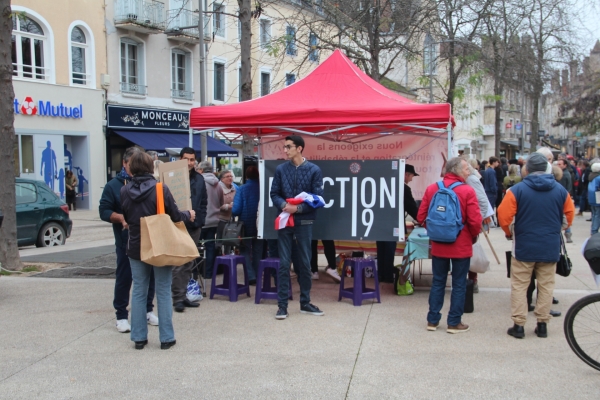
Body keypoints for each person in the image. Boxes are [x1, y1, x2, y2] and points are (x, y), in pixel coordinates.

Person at [121, 151, 195, 350]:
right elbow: (175, 216)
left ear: (132, 167)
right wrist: (189, 215)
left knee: (138, 290)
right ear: (150, 166)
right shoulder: (160, 189)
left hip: (136, 245)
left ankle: (138, 337)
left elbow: (127, 217)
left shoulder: (124, 191)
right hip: (159, 244)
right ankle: (166, 337)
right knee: (163, 289)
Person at [499, 152, 574, 339]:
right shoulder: (560, 191)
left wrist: (510, 233)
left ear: (527, 169)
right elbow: (569, 216)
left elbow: (504, 216)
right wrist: (558, 229)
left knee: (520, 286)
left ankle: (518, 325)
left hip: (524, 244)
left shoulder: (516, 191)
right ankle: (542, 324)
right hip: (549, 245)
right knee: (546, 286)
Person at [417, 157, 482, 333]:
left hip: (439, 245)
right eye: (467, 169)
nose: (469, 172)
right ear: (457, 170)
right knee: (459, 283)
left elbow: (421, 216)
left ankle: (432, 320)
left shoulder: (432, 189)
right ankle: (454, 322)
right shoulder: (467, 191)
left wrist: (436, 231)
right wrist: (472, 235)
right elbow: (475, 221)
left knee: (438, 281)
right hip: (461, 245)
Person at [99, 147, 158, 333]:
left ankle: (147, 310)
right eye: (133, 162)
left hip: (149, 238)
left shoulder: (150, 184)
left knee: (151, 277)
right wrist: (121, 218)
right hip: (126, 240)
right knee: (125, 277)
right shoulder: (114, 186)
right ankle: (121, 315)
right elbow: (104, 211)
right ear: (125, 163)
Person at [270, 135, 324, 320]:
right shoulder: (280, 169)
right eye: (284, 147)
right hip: (285, 221)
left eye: (288, 147)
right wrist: (284, 205)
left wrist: (298, 208)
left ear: (299, 148)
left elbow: (317, 199)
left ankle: (305, 303)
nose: (285, 150)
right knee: (284, 264)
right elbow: (274, 193)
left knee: (304, 263)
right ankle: (282, 306)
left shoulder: (314, 170)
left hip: (305, 222)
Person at [171, 147, 207, 313]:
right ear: (180, 159)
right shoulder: (172, 177)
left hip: (195, 225)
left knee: (189, 262)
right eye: (186, 159)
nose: (189, 163)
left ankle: (183, 295)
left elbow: (203, 202)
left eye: (192, 160)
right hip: (178, 224)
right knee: (179, 262)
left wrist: (201, 219)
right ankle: (177, 297)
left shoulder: (199, 179)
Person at [379, 163, 421, 286]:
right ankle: (387, 276)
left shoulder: (384, 183)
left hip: (379, 222)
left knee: (381, 249)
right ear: (406, 174)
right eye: (411, 176)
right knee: (389, 249)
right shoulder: (403, 188)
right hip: (393, 223)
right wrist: (422, 219)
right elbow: (412, 208)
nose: (411, 179)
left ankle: (381, 274)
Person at [232, 166, 263, 284]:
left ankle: (250, 276)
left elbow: (236, 210)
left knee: (244, 249)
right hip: (260, 224)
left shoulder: (242, 189)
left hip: (245, 224)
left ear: (247, 176)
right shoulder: (262, 188)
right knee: (258, 250)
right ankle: (257, 274)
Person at [465, 158, 490, 293]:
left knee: (470, 253)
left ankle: (472, 281)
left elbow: (482, 201)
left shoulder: (471, 180)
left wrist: (476, 221)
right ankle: (467, 281)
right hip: (465, 223)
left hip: (469, 224)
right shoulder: (467, 179)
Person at [197, 160, 224, 279]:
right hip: (214, 220)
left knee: (196, 246)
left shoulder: (199, 182)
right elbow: (221, 202)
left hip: (201, 220)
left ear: (201, 170)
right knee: (210, 246)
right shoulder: (218, 185)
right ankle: (208, 273)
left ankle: (196, 272)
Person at [217, 169, 236, 256]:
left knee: (229, 240)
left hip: (230, 218)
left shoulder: (234, 188)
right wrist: (228, 206)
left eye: (231, 176)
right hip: (220, 219)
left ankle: (227, 259)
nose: (230, 178)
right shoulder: (218, 188)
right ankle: (218, 260)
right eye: (227, 176)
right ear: (222, 179)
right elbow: (216, 204)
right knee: (219, 240)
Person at [557, 158, 573, 243]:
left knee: (564, 215)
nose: (558, 166)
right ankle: (568, 233)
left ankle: (568, 233)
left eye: (560, 164)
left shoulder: (564, 174)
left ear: (565, 165)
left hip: (563, 198)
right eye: (558, 164)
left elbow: (565, 188)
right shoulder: (564, 173)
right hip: (564, 196)